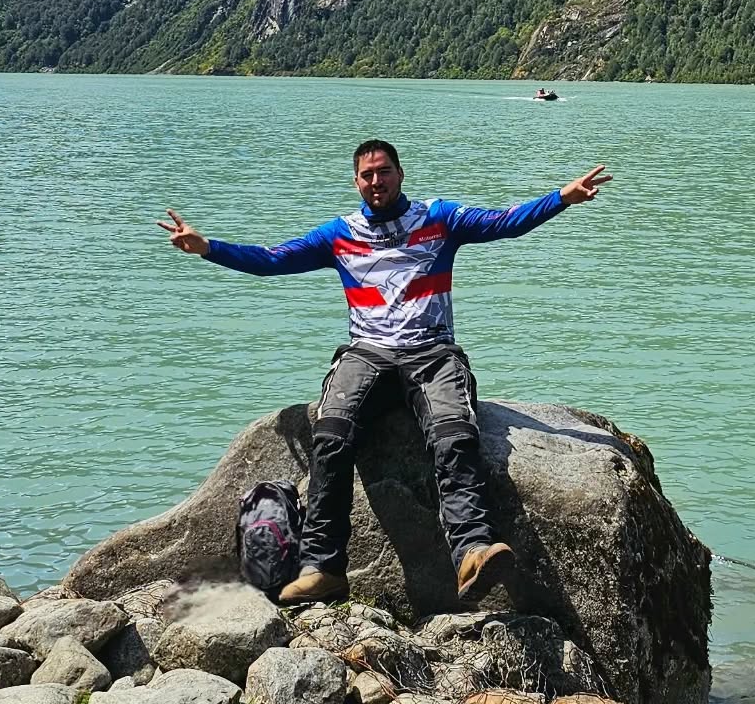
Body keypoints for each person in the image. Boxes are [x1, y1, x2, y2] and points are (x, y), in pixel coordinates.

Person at [157, 139, 611, 605]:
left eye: (384, 171)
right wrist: (207, 248)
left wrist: (562, 197)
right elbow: (274, 260)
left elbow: (503, 222)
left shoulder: (439, 219)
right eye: (367, 174)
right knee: (331, 435)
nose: (377, 181)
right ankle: (323, 568)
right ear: (356, 181)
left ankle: (473, 550)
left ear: (400, 174)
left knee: (454, 433)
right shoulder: (340, 234)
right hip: (367, 353)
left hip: (431, 350)